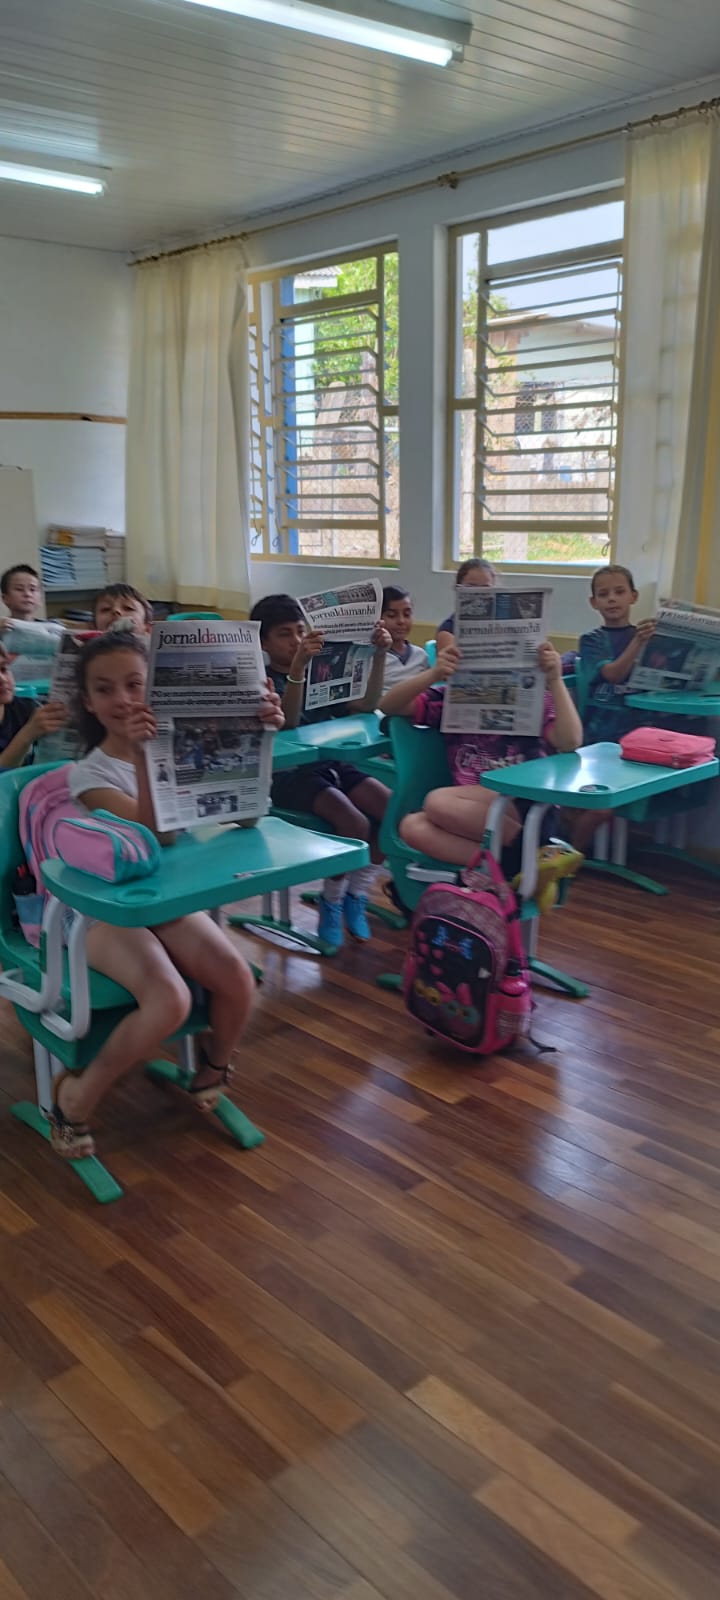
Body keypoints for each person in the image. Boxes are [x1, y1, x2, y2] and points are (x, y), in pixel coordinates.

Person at [46, 630, 284, 1163]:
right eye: (105, 690)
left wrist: (258, 734)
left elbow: (246, 814)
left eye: (135, 683)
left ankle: (214, 1065)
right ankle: (76, 1099)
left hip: (165, 903)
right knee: (170, 999)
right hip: (100, 912)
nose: (124, 699)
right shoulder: (87, 773)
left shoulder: (187, 737)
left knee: (238, 980)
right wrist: (144, 752)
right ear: (88, 702)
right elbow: (158, 833)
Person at [251, 593, 393, 951]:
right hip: (287, 774)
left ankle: (355, 894)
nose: (297, 640)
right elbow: (289, 725)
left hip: (329, 763)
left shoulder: (323, 668)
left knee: (392, 809)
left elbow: (366, 706)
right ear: (263, 642)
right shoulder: (261, 681)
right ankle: (331, 900)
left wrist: (378, 657)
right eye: (285, 634)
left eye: (301, 630)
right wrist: (297, 671)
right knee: (355, 824)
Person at [379, 640, 582, 870]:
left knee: (437, 801)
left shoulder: (533, 697)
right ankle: (516, 866)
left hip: (523, 806)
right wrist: (434, 673)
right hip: (470, 814)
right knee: (411, 826)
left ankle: (534, 852)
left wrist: (554, 680)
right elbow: (389, 705)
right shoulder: (450, 698)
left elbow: (571, 741)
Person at [578, 564, 655, 744]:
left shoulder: (645, 635)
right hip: (604, 726)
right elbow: (612, 674)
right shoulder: (591, 640)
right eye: (603, 594)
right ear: (594, 602)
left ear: (633, 596)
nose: (612, 599)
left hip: (643, 719)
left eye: (620, 592)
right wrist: (638, 642)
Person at [0, 644, 66, 769]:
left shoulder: (26, 708)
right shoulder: (31, 721)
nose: (2, 679)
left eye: (3, 669)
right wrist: (28, 734)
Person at [436, 558, 497, 651]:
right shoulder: (448, 629)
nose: (478, 594)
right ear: (458, 588)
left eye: (485, 588)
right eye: (471, 587)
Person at [381, 585, 430, 688]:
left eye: (407, 614)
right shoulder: (370, 658)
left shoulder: (421, 656)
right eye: (391, 615)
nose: (401, 621)